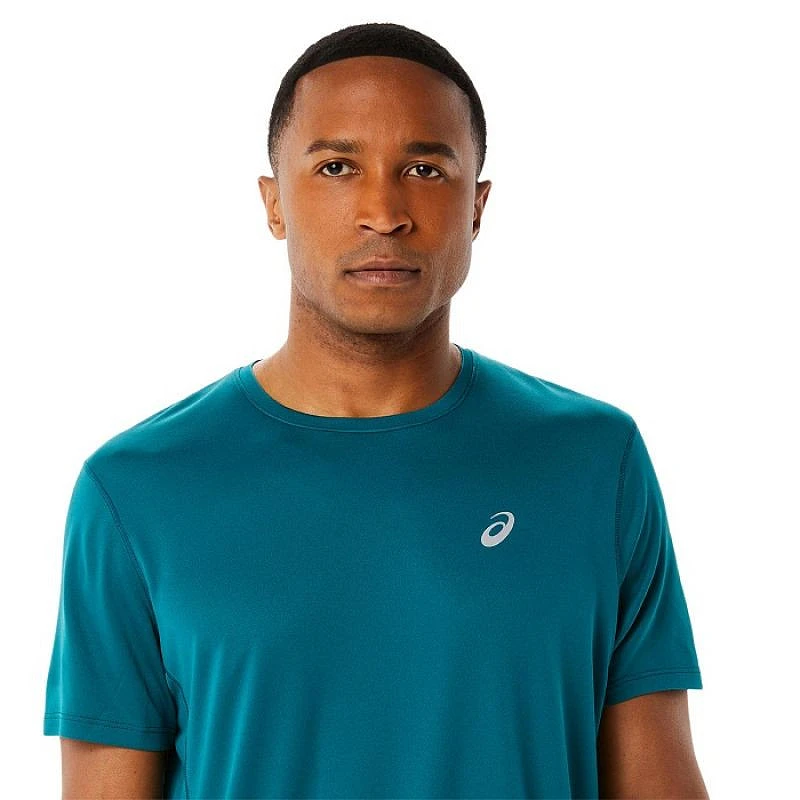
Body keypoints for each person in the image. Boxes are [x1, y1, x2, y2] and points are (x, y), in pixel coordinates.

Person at [43, 21, 709, 799]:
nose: (383, 211)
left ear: (477, 206)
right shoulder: (136, 489)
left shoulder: (594, 462)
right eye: (336, 167)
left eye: (425, 168)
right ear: (274, 204)